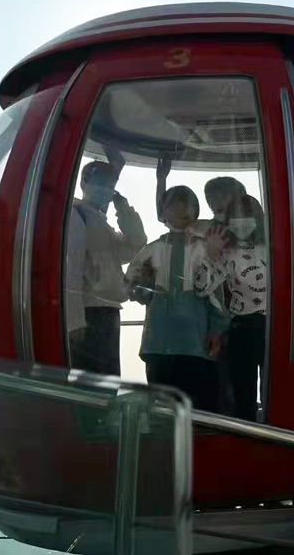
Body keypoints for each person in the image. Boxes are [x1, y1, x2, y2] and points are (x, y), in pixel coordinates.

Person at [125, 185, 230, 411]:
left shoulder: (204, 248)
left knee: (199, 409)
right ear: (163, 212)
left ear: (195, 211)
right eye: (174, 204)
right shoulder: (151, 249)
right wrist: (141, 284)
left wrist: (217, 330)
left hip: (196, 344)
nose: (182, 208)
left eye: (189, 203)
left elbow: (216, 296)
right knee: (161, 410)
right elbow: (133, 288)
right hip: (157, 344)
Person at [65, 160, 146, 375]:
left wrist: (124, 210)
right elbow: (70, 270)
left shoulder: (101, 223)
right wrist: (74, 322)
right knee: (92, 386)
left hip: (109, 311)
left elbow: (136, 244)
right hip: (89, 313)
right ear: (83, 183)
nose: (106, 189)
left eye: (110, 184)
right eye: (100, 182)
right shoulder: (75, 216)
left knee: (108, 383)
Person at [197, 195, 268, 421]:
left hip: (274, 325)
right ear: (227, 222)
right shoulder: (226, 254)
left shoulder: (273, 247)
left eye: (247, 216)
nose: (242, 222)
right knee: (243, 392)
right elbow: (202, 287)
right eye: (235, 218)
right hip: (241, 327)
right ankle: (248, 439)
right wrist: (211, 253)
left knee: (274, 389)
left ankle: (275, 438)